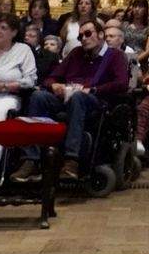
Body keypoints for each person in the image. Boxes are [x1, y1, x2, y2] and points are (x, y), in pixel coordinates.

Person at [12, 18, 129, 181]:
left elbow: (122, 84)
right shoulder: (76, 53)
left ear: (101, 34)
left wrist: (93, 89)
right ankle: (31, 160)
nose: (84, 39)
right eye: (81, 36)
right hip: (66, 97)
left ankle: (71, 160)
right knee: (38, 97)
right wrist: (54, 86)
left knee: (79, 97)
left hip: (94, 101)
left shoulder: (115, 56)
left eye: (88, 34)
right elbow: (51, 78)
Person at [103, 19, 139, 90]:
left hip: (122, 92)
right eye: (106, 37)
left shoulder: (129, 52)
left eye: (111, 36)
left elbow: (133, 82)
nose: (107, 39)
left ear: (121, 39)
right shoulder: (99, 52)